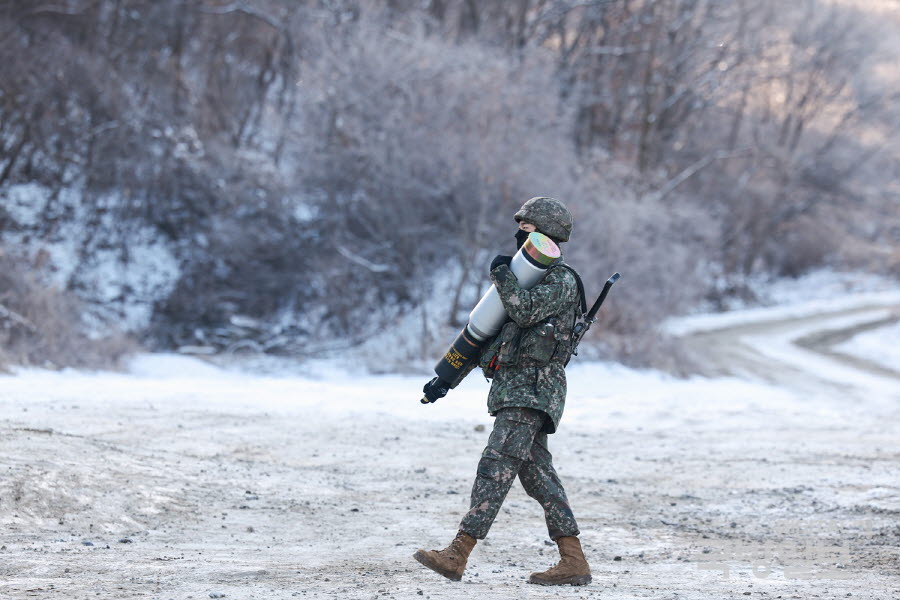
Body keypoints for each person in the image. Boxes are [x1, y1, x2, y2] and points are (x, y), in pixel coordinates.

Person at [415, 197, 591, 586]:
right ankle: (573, 560)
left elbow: (524, 311)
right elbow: (485, 337)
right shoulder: (524, 277)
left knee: (494, 467)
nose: (519, 235)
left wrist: (503, 276)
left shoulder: (560, 281)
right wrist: (445, 379)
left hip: (532, 391)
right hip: (516, 391)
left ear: (545, 234)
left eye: (526, 229)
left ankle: (457, 554)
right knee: (539, 476)